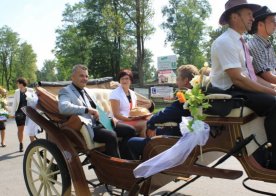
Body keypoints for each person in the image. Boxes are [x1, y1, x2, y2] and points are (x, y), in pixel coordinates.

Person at [209, 0, 276, 169]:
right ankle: (271, 159)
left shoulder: (241, 41)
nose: (252, 18)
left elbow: (251, 76)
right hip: (227, 94)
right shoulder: (225, 42)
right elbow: (238, 79)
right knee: (274, 104)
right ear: (234, 16)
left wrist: (273, 88)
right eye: (248, 14)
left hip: (239, 88)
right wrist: (271, 92)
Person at [58, 64, 136, 158]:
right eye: (81, 76)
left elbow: (98, 109)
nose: (85, 78)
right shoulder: (66, 91)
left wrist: (110, 118)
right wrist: (86, 109)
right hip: (89, 127)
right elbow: (63, 107)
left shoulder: (88, 91)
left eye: (86, 76)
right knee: (111, 135)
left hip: (102, 123)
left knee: (130, 130)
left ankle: (126, 158)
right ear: (73, 77)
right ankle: (116, 166)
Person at [127, 64, 199, 160]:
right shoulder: (197, 96)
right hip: (184, 135)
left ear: (185, 80)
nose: (176, 81)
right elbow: (168, 112)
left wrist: (150, 124)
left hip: (175, 138)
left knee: (131, 141)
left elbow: (166, 114)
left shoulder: (185, 97)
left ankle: (140, 168)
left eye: (178, 78)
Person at [109, 69, 147, 137]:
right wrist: (129, 119)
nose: (124, 81)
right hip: (120, 121)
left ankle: (148, 144)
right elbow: (116, 114)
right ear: (119, 80)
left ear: (131, 80)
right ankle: (143, 145)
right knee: (146, 124)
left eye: (127, 78)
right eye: (122, 78)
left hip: (130, 119)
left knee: (150, 121)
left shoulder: (132, 93)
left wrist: (141, 115)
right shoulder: (115, 93)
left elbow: (134, 110)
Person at [248, 6, 276, 83]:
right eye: (272, 21)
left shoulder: (266, 44)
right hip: (266, 89)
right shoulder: (255, 45)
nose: (275, 25)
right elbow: (267, 76)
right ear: (260, 25)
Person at [11, 77, 34, 152]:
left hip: (29, 112)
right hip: (19, 113)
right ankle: (21, 144)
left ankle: (33, 146)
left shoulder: (31, 90)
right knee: (20, 129)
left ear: (21, 84)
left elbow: (34, 101)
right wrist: (12, 113)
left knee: (30, 129)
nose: (17, 84)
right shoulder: (16, 92)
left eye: (17, 83)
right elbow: (14, 103)